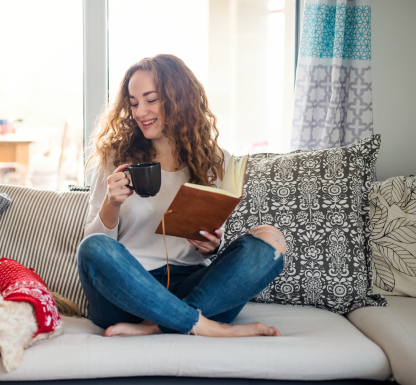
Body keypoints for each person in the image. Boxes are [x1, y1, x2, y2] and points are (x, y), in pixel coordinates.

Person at [77, 54, 287, 338]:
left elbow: (212, 236)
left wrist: (210, 246)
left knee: (270, 240)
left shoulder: (215, 160)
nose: (140, 112)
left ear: (179, 98)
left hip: (192, 285)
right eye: (134, 102)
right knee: (94, 249)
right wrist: (111, 203)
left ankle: (158, 325)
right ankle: (203, 326)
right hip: (127, 290)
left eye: (151, 100)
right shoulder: (117, 157)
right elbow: (92, 240)